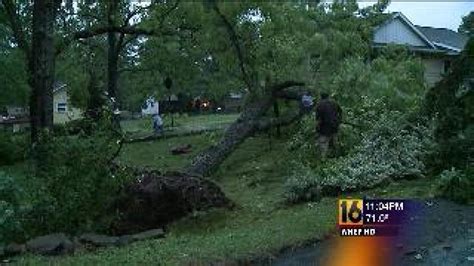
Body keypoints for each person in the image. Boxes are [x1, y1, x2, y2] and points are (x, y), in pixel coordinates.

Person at [315, 92, 342, 158]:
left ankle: (323, 159)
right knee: (335, 141)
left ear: (321, 97)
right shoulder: (334, 103)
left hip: (324, 128)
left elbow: (318, 118)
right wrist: (339, 120)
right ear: (328, 96)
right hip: (334, 126)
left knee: (323, 143)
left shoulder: (319, 105)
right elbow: (340, 111)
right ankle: (337, 157)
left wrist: (317, 128)